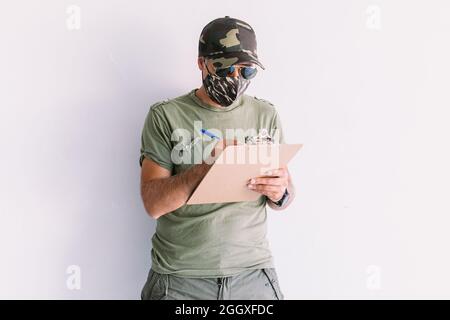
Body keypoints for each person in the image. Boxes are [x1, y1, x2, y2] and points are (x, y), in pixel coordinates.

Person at [139, 16, 295, 300]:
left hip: (252, 275)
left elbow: (285, 194)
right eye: (225, 67)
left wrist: (281, 192)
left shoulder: (265, 115)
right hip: (180, 280)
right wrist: (206, 169)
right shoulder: (166, 116)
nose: (235, 78)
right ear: (202, 63)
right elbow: (153, 204)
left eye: (246, 71)